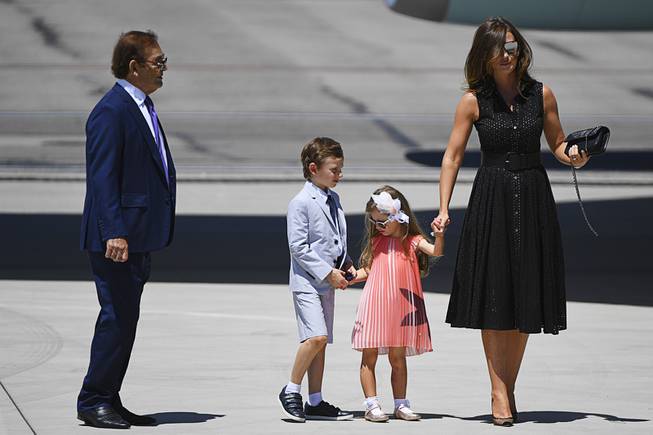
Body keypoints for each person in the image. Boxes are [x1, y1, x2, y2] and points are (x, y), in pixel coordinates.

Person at [433, 17, 589, 426]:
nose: (508, 54)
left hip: (534, 194)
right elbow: (452, 156)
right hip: (492, 196)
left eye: (514, 47)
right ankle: (498, 389)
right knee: (494, 295)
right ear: (484, 55)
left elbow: (557, 142)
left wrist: (573, 154)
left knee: (525, 295)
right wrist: (444, 206)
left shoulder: (542, 94)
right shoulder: (473, 100)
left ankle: (508, 385)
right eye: (500, 48)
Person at [77, 30, 175, 429]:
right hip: (117, 239)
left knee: (126, 320)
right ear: (134, 67)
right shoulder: (111, 111)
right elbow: (102, 179)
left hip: (136, 237)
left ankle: (110, 398)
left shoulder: (141, 106)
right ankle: (93, 399)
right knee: (116, 318)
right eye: (158, 62)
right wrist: (113, 231)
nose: (163, 68)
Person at [351, 186, 445, 422]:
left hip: (400, 309)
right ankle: (371, 405)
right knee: (369, 355)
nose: (378, 227)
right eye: (374, 222)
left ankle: (401, 404)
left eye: (382, 222)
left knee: (397, 358)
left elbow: (435, 251)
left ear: (398, 217)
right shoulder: (376, 242)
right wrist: (350, 278)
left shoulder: (412, 241)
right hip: (374, 304)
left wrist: (440, 235)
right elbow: (369, 270)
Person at [278, 137, 356, 423]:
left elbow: (334, 237)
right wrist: (327, 272)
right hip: (307, 283)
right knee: (316, 337)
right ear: (314, 168)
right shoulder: (301, 202)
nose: (339, 175)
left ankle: (315, 400)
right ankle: (291, 390)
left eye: (340, 169)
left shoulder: (333, 198)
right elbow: (298, 247)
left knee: (322, 343)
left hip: (327, 281)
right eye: (334, 169)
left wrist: (344, 262)